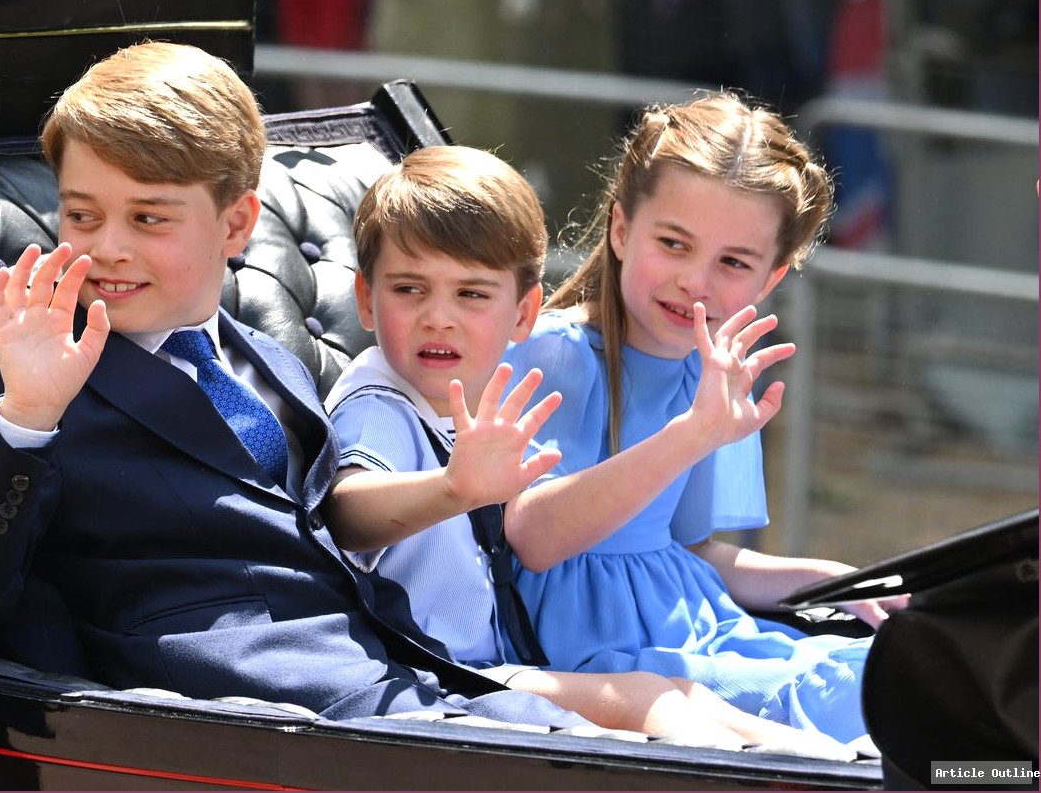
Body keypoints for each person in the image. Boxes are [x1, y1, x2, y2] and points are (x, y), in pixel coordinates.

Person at [0, 40, 592, 729]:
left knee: (640, 742)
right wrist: (27, 416)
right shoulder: (14, 379)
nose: (107, 246)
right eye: (82, 215)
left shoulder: (272, 361)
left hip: (396, 670)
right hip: (242, 709)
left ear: (237, 224)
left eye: (148, 217)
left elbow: (324, 535)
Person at [321, 144, 857, 757]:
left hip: (505, 658)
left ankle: (842, 767)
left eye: (470, 295)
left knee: (688, 697)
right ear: (366, 299)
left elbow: (693, 550)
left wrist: (834, 582)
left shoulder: (466, 395)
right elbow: (345, 510)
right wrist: (453, 488)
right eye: (411, 290)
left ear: (520, 312)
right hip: (446, 674)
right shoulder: (383, 399)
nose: (439, 317)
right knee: (653, 698)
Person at [497, 91, 907, 745]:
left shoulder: (715, 370)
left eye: (733, 263)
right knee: (874, 704)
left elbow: (696, 555)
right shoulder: (548, 355)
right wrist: (692, 434)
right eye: (673, 243)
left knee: (902, 673)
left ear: (769, 280)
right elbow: (534, 539)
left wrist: (829, 580)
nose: (696, 281)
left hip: (706, 632)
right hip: (609, 661)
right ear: (622, 230)